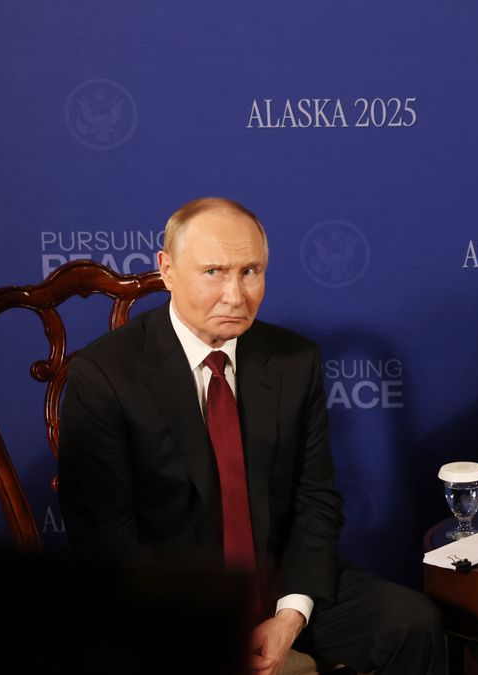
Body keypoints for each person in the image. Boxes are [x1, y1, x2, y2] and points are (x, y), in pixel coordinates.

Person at [58, 197, 443, 675]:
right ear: (167, 270)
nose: (236, 295)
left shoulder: (293, 359)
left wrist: (289, 615)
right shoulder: (105, 374)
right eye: (214, 272)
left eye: (250, 271)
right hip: (169, 601)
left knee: (411, 623)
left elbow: (316, 498)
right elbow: (107, 542)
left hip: (277, 579)